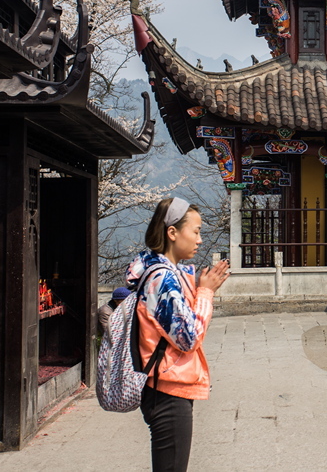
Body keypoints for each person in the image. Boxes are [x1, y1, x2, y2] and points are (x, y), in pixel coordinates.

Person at [126, 197, 230, 472]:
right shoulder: (162, 280)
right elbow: (188, 338)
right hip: (167, 392)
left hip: (166, 387)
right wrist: (206, 292)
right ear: (172, 232)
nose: (199, 240)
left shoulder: (162, 272)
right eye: (195, 231)